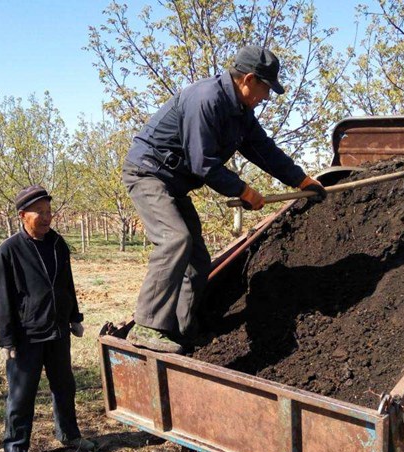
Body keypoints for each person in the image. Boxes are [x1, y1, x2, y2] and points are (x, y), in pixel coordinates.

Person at [122, 45, 327, 354]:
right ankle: (147, 326)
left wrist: (299, 179)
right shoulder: (206, 99)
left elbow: (263, 150)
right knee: (174, 239)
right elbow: (202, 163)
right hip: (149, 173)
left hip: (174, 184)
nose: (266, 97)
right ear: (247, 79)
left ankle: (180, 330)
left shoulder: (241, 113)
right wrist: (243, 190)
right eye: (265, 89)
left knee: (197, 259)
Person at [0, 184, 95, 452]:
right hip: (27, 335)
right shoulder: (8, 251)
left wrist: (74, 317)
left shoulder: (58, 244)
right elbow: (2, 299)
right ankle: (16, 448)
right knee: (21, 393)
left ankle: (70, 435)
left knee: (65, 386)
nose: (47, 217)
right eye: (40, 212)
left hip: (58, 330)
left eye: (49, 211)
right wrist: (8, 339)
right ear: (23, 215)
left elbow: (67, 283)